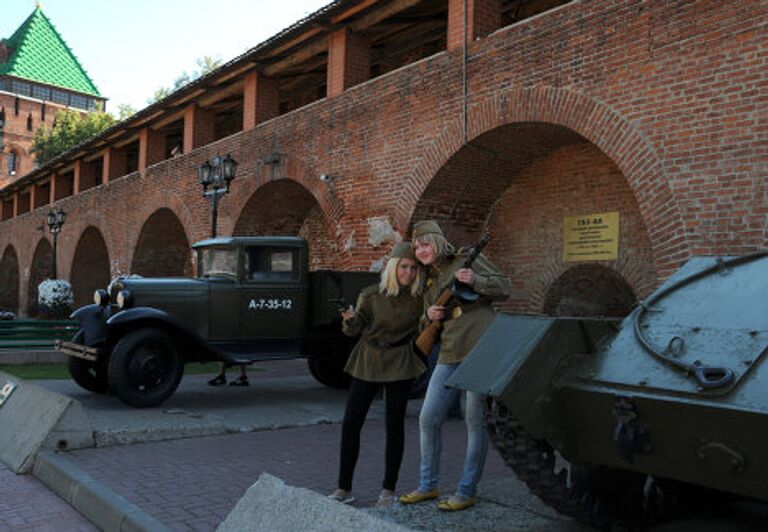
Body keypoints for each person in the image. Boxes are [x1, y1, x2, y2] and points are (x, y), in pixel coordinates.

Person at [399, 220, 511, 512]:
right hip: (449, 352)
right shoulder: (427, 279)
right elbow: (425, 322)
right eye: (417, 247)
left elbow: (504, 287)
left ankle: (466, 490)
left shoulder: (465, 259)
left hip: (480, 349)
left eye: (426, 244)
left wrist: (475, 281)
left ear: (437, 242)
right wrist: (430, 315)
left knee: (473, 423)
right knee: (428, 418)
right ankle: (427, 485)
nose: (422, 250)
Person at [328, 241, 426, 508]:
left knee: (394, 427)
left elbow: (424, 330)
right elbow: (353, 330)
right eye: (404, 267)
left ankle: (388, 491)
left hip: (399, 361)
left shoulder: (419, 299)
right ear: (393, 267)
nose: (409, 273)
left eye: (414, 268)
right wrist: (348, 317)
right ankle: (344, 488)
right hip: (368, 358)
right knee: (351, 423)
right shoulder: (371, 295)